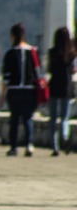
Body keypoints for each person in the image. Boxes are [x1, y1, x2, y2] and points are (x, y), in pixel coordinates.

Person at [1, 23, 41, 157]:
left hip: (14, 90)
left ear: (12, 36)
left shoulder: (10, 53)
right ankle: (29, 144)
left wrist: (2, 94)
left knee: (14, 119)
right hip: (30, 90)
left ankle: (13, 147)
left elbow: (6, 77)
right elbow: (38, 73)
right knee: (28, 118)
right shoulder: (33, 52)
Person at [47, 26, 76, 155]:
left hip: (54, 87)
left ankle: (55, 146)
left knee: (53, 118)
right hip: (67, 87)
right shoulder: (72, 54)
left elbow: (49, 68)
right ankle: (64, 137)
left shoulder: (52, 52)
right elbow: (74, 69)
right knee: (64, 117)